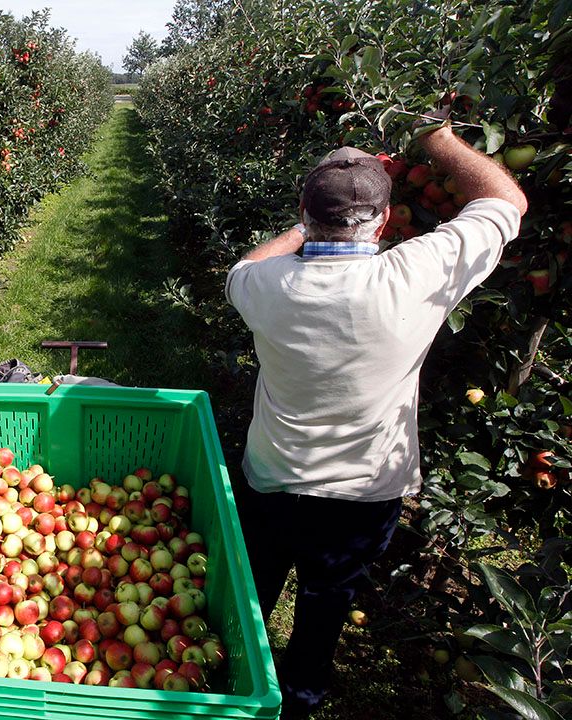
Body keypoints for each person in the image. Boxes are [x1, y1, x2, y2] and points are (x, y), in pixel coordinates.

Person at [224, 117, 527, 718]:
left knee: (251, 591)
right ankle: (301, 694)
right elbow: (506, 200)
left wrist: (306, 224)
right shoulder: (415, 275)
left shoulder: (263, 286)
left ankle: (236, 680)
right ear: (385, 220)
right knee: (328, 598)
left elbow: (246, 265)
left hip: (273, 479)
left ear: (305, 211)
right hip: (364, 491)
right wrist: (435, 138)